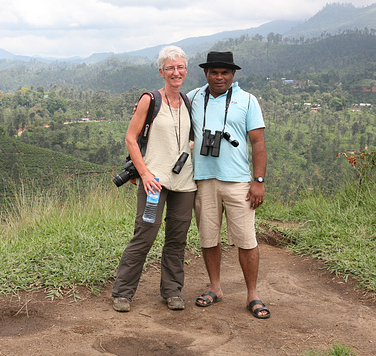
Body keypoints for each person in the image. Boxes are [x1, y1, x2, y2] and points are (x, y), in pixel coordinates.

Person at [112, 46, 197, 312]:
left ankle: (172, 291)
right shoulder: (150, 100)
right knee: (145, 234)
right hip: (154, 183)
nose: (176, 72)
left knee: (177, 238)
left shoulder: (187, 102)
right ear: (161, 71)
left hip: (184, 183)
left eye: (180, 67)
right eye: (170, 68)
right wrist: (146, 174)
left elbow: (188, 138)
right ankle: (123, 292)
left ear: (186, 70)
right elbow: (130, 138)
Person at [187, 51, 270, 319]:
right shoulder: (193, 98)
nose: (219, 77)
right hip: (203, 179)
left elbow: (258, 142)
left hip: (237, 181)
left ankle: (253, 294)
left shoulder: (247, 101)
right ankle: (215, 288)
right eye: (214, 72)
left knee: (246, 240)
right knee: (209, 237)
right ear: (205, 74)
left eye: (224, 72)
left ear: (233, 75)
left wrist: (258, 181)